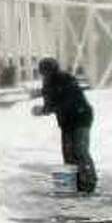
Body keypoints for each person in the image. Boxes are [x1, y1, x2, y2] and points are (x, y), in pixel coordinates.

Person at [32, 57, 97, 193]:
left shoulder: (66, 79)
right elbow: (51, 104)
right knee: (68, 152)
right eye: (43, 72)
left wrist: (45, 110)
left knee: (80, 150)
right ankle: (74, 183)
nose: (45, 75)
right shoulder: (47, 85)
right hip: (66, 121)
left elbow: (68, 101)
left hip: (81, 118)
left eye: (47, 71)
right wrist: (43, 109)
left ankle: (89, 182)